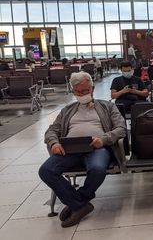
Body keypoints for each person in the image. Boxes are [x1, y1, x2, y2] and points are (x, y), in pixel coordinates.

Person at [39, 71, 127, 228]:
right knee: (46, 170)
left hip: (97, 148)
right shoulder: (67, 110)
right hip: (70, 149)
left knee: (97, 168)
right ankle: (79, 205)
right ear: (73, 91)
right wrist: (53, 143)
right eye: (78, 92)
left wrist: (104, 140)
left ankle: (77, 202)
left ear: (92, 89)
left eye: (85, 91)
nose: (82, 94)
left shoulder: (107, 106)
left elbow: (121, 128)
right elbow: (52, 130)